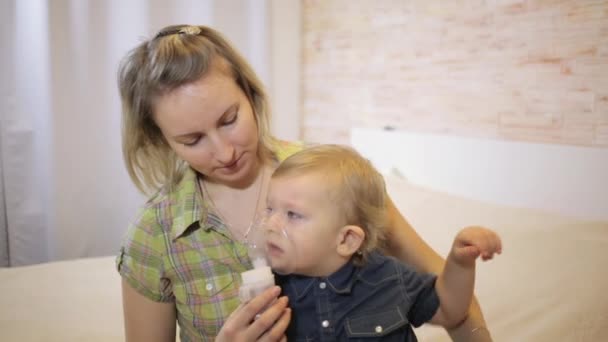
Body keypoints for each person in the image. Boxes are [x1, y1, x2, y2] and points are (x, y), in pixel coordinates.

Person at [116, 23, 494, 341]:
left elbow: (453, 306)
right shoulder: (155, 235)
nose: (224, 152)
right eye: (192, 140)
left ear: (250, 95)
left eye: (230, 119)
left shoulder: (338, 178)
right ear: (161, 139)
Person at [260, 144, 502, 341]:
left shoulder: (389, 277)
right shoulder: (271, 293)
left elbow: (451, 311)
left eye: (293, 214)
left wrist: (460, 262)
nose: (271, 224)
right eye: (270, 209)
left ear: (347, 239)